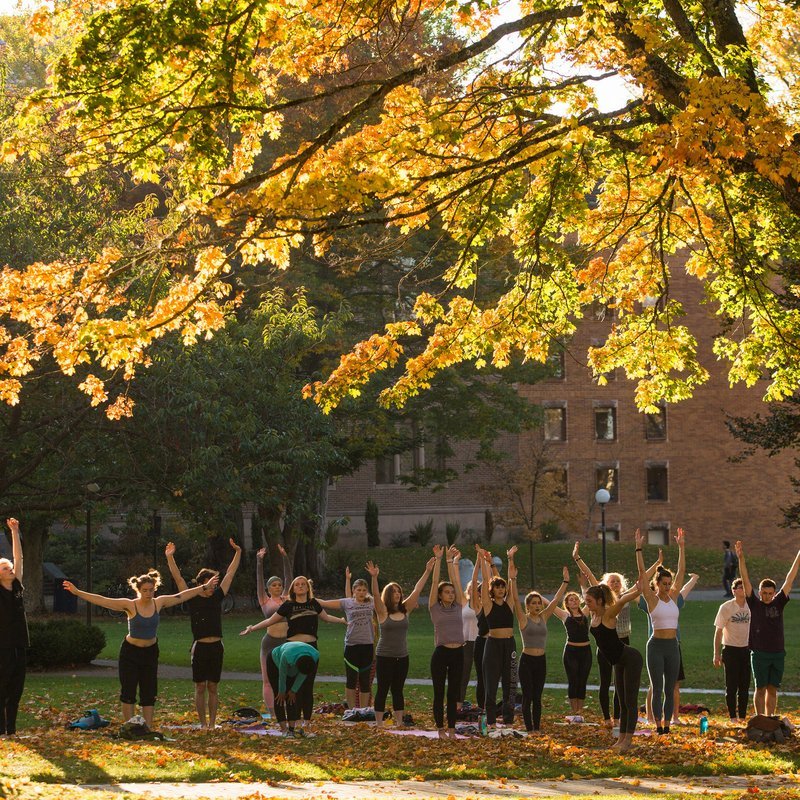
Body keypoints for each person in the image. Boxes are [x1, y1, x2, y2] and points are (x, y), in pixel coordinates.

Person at [64, 569, 218, 728]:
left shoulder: (159, 602)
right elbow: (103, 600)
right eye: (145, 590)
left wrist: (204, 587)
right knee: (128, 691)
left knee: (149, 692)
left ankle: (147, 729)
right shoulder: (129, 605)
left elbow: (183, 596)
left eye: (151, 590)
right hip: (130, 652)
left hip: (150, 652)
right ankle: (129, 727)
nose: (148, 593)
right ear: (138, 590)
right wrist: (77, 592)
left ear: (155, 588)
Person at [241, 575, 345, 729]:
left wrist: (342, 621)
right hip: (293, 649)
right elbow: (270, 620)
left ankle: (307, 722)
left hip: (311, 648)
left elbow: (327, 617)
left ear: (307, 588)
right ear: (293, 589)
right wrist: (252, 628)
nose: (301, 586)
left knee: (307, 687)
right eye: (297, 584)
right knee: (293, 688)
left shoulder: (313, 604)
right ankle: (293, 721)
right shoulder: (288, 605)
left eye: (303, 584)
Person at [164, 537, 242, 728]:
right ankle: (203, 724)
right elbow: (178, 578)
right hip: (199, 647)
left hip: (216, 646)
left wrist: (238, 553)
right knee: (200, 686)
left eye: (215, 584)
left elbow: (230, 574)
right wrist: (170, 557)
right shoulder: (192, 598)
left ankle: (213, 724)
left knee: (213, 686)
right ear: (201, 583)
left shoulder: (216, 597)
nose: (213, 587)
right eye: (210, 583)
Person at [367, 557, 435, 727]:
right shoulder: (382, 612)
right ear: (388, 596)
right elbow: (375, 594)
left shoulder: (406, 609)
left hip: (402, 656)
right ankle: (379, 724)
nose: (397, 594)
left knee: (397, 690)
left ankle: (399, 722)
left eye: (399, 591)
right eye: (394, 592)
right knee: (382, 689)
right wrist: (374, 577)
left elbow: (417, 589)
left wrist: (427, 570)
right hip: (384, 656)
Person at [736, 540, 800, 716]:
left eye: (770, 593)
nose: (767, 596)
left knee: (773, 689)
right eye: (764, 592)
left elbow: (790, 577)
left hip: (778, 653)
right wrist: (741, 558)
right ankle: (760, 719)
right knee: (761, 688)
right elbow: (746, 579)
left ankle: (770, 719)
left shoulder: (779, 602)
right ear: (759, 591)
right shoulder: (754, 604)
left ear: (774, 592)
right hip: (759, 653)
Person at [636, 526, 686, 735]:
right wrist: (638, 550)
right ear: (656, 584)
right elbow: (641, 575)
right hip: (656, 646)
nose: (667, 586)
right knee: (657, 687)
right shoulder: (651, 599)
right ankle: (658, 725)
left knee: (669, 688)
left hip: (672, 646)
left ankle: (667, 724)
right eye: (663, 583)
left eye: (669, 583)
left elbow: (682, 571)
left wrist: (682, 548)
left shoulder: (674, 596)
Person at [584, 582, 644, 752]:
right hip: (618, 662)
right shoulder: (594, 616)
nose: (586, 604)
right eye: (585, 601)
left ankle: (627, 741)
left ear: (600, 601)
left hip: (630, 659)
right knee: (622, 702)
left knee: (629, 702)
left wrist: (637, 591)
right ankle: (621, 739)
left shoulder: (608, 614)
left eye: (589, 601)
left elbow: (621, 600)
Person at [509, 565, 568, 733]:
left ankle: (537, 728)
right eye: (533, 603)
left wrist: (565, 581)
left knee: (537, 697)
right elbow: (514, 598)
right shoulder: (523, 619)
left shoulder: (543, 617)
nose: (537, 605)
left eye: (538, 603)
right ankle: (529, 728)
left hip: (541, 661)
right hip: (527, 661)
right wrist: (512, 579)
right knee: (527, 696)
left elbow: (556, 600)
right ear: (528, 606)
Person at [316, 570, 376, 709]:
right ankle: (350, 710)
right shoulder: (347, 602)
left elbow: (384, 601)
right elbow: (324, 603)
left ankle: (362, 710)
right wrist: (308, 597)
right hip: (351, 646)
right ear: (354, 591)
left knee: (365, 681)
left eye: (364, 590)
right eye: (359, 590)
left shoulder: (372, 602)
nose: (361, 592)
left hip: (367, 645)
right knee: (351, 679)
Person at [428, 544, 467, 738]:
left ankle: (452, 728)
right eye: (447, 592)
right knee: (439, 692)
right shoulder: (435, 607)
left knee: (454, 694)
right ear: (440, 595)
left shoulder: (458, 606)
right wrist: (438, 560)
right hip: (441, 653)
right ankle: (440, 728)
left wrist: (451, 561)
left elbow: (456, 581)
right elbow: (435, 582)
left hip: (458, 653)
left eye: (452, 592)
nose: (451, 594)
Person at [478, 545, 518, 729]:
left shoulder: (510, 603)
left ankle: (508, 721)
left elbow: (512, 579)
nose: (501, 590)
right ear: (492, 590)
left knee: (510, 685)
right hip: (493, 645)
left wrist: (510, 558)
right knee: (491, 684)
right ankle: (492, 723)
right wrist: (483, 560)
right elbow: (486, 579)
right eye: (497, 588)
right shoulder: (487, 604)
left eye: (503, 588)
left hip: (509, 645)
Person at [255, 544, 293, 718]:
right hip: (269, 642)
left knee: (286, 678)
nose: (278, 587)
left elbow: (289, 577)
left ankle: (286, 708)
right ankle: (272, 713)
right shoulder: (264, 601)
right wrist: (259, 561)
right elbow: (259, 579)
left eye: (279, 585)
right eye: (274, 585)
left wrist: (285, 557)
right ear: (269, 589)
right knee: (268, 681)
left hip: (285, 643)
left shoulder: (286, 599)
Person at [0, 518, 27, 736]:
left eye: (9, 567)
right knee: (2, 688)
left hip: (20, 644)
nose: (9, 569)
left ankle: (12, 730)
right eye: (4, 568)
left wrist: (15, 532)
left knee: (16, 689)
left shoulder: (17, 585)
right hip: (2, 646)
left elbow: (18, 557)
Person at [551, 581, 591, 723]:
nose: (574, 601)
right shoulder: (564, 615)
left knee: (582, 681)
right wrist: (537, 596)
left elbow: (588, 597)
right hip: (571, 652)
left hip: (586, 651)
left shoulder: (586, 612)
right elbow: (552, 604)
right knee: (573, 680)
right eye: (570, 599)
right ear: (567, 603)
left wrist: (582, 585)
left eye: (575, 599)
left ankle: (580, 712)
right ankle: (573, 712)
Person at [713, 577, 752, 722]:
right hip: (730, 650)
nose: (743, 589)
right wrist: (716, 654)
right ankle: (732, 717)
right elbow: (718, 632)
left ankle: (742, 716)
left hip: (747, 650)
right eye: (740, 587)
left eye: (745, 587)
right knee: (731, 685)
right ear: (734, 590)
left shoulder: (751, 606)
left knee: (744, 685)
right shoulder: (726, 607)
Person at [267, 641, 320, 738]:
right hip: (274, 662)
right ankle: (284, 729)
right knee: (279, 696)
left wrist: (293, 690)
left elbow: (303, 674)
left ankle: (292, 729)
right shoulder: (287, 655)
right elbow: (282, 675)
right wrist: (282, 691)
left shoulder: (315, 655)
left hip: (298, 662)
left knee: (292, 696)